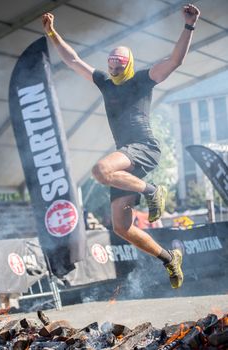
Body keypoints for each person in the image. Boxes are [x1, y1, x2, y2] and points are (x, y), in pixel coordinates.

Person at [42, 3, 200, 289]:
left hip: (144, 147)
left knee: (100, 169)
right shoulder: (105, 83)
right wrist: (53, 34)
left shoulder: (142, 80)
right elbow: (74, 60)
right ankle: (169, 258)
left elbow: (175, 61)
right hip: (127, 161)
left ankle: (153, 191)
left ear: (127, 65)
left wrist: (189, 26)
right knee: (121, 227)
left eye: (117, 65)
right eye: (110, 65)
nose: (112, 69)